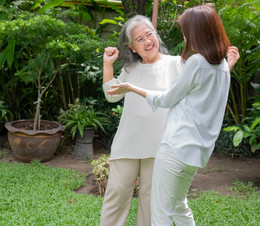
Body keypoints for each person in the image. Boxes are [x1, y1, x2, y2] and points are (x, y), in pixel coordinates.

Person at [106, 5, 240, 226]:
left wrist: (131, 88)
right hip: (193, 152)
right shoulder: (219, 67)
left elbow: (167, 99)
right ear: (132, 47)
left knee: (160, 213)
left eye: (186, 31)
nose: (185, 36)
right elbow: (206, 87)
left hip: (173, 147)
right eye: (140, 39)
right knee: (178, 206)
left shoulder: (192, 63)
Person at [100, 15, 183, 226]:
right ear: (132, 48)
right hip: (127, 144)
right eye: (140, 39)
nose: (147, 41)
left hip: (160, 147)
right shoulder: (130, 69)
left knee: (150, 203)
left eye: (150, 34)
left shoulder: (175, 64)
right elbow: (112, 95)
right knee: (115, 195)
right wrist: (107, 64)